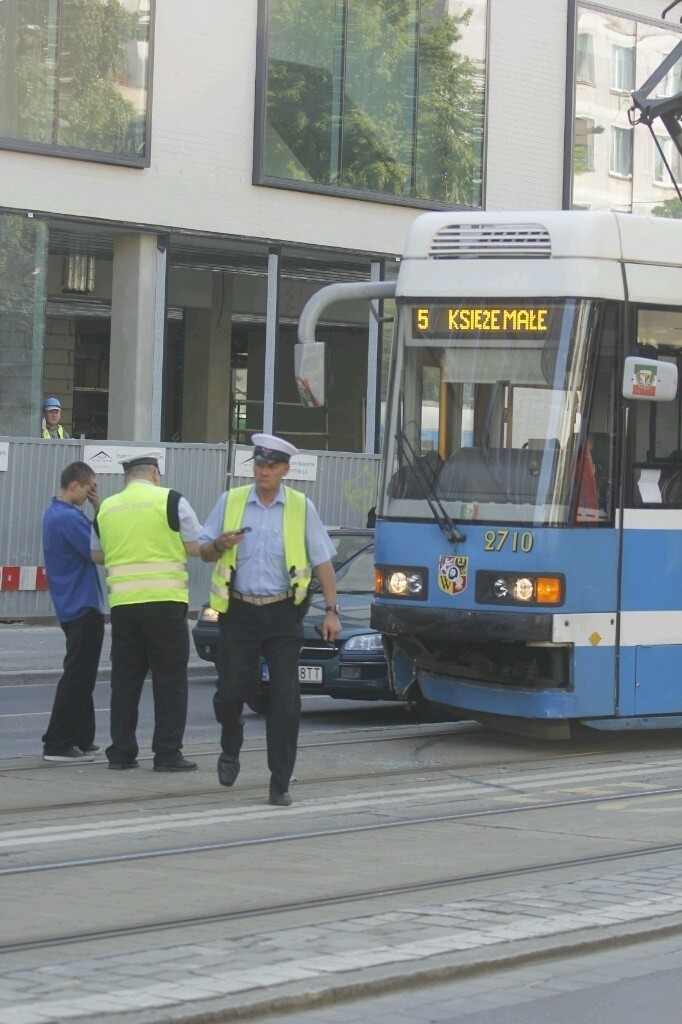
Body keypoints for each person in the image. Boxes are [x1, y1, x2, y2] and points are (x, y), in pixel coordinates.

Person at [200, 432, 342, 807]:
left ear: (285, 470)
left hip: (282, 614)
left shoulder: (300, 506)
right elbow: (202, 550)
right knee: (231, 693)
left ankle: (280, 782)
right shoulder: (230, 502)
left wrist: (331, 611)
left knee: (285, 699)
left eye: (271, 466)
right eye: (259, 464)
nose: (263, 471)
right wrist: (219, 546)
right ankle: (230, 746)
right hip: (239, 612)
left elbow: (322, 561)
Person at [91, 450, 202, 772]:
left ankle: (121, 754)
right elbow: (196, 546)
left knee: (125, 682)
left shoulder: (107, 508)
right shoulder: (171, 501)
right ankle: (167, 754)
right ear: (155, 474)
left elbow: (96, 555)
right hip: (165, 604)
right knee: (170, 681)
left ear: (128, 477)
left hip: (124, 607)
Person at [42, 461, 104, 762]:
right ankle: (57, 742)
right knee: (78, 676)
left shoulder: (53, 513)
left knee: (82, 673)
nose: (91, 492)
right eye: (90, 487)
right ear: (75, 485)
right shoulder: (69, 518)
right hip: (82, 604)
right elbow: (101, 550)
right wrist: (100, 508)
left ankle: (82, 737)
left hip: (70, 605)